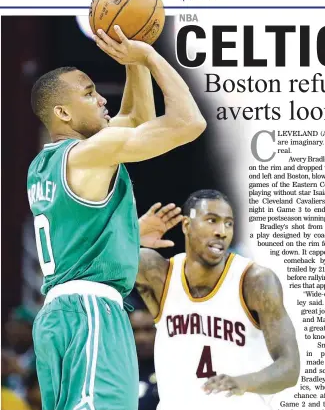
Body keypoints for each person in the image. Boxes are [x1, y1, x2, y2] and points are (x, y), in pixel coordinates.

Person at [27, 26, 206, 410]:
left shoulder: (43, 166)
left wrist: (128, 233)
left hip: (59, 317)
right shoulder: (92, 152)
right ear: (62, 111)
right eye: (89, 93)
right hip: (92, 313)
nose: (101, 100)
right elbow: (190, 123)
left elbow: (137, 117)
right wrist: (150, 57)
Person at [137, 189, 300, 410]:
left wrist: (243, 382)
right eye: (212, 221)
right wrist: (134, 235)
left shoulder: (255, 281)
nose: (221, 232)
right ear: (186, 226)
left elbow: (290, 368)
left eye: (228, 224)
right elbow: (85, 263)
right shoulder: (159, 273)